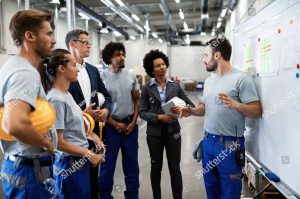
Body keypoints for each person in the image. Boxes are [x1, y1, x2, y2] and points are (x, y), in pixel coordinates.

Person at [180, 37, 262, 199]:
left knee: (230, 193)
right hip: (208, 143)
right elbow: (204, 108)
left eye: (205, 55)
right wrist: (191, 111)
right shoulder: (209, 81)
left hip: (230, 145)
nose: (203, 60)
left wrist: (236, 105)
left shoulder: (241, 79)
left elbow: (257, 111)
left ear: (217, 56)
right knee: (212, 191)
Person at [0, 9, 56, 198]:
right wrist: (46, 143)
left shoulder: (10, 66)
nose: (54, 40)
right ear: (29, 36)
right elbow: (14, 124)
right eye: (48, 33)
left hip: (16, 165)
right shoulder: (25, 74)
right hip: (30, 171)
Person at [41, 48, 104, 198]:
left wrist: (92, 136)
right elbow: (58, 142)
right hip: (68, 164)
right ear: (61, 68)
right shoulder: (56, 99)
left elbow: (71, 125)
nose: (77, 69)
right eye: (73, 65)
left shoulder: (67, 95)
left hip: (78, 161)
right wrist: (89, 153)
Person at [139, 49, 195, 199]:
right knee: (155, 167)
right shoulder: (146, 89)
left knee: (175, 168)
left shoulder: (175, 86)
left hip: (173, 132)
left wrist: (183, 109)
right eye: (157, 65)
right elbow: (142, 112)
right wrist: (159, 117)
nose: (162, 67)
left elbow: (190, 105)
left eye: (163, 64)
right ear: (152, 69)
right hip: (154, 134)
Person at [65, 29, 112, 199]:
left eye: (89, 42)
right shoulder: (62, 70)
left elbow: (107, 95)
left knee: (93, 180)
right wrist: (81, 114)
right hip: (70, 137)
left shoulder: (92, 70)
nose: (89, 45)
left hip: (93, 134)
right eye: (85, 42)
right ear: (72, 44)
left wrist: (106, 110)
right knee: (73, 183)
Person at [99, 42, 140, 199]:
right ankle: (104, 196)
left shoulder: (130, 75)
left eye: (123, 54)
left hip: (130, 127)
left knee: (132, 167)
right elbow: (100, 106)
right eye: (117, 54)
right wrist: (115, 124)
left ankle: (132, 196)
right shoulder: (101, 77)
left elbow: (137, 100)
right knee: (107, 166)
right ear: (109, 58)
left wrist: (133, 122)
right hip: (110, 128)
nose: (122, 57)